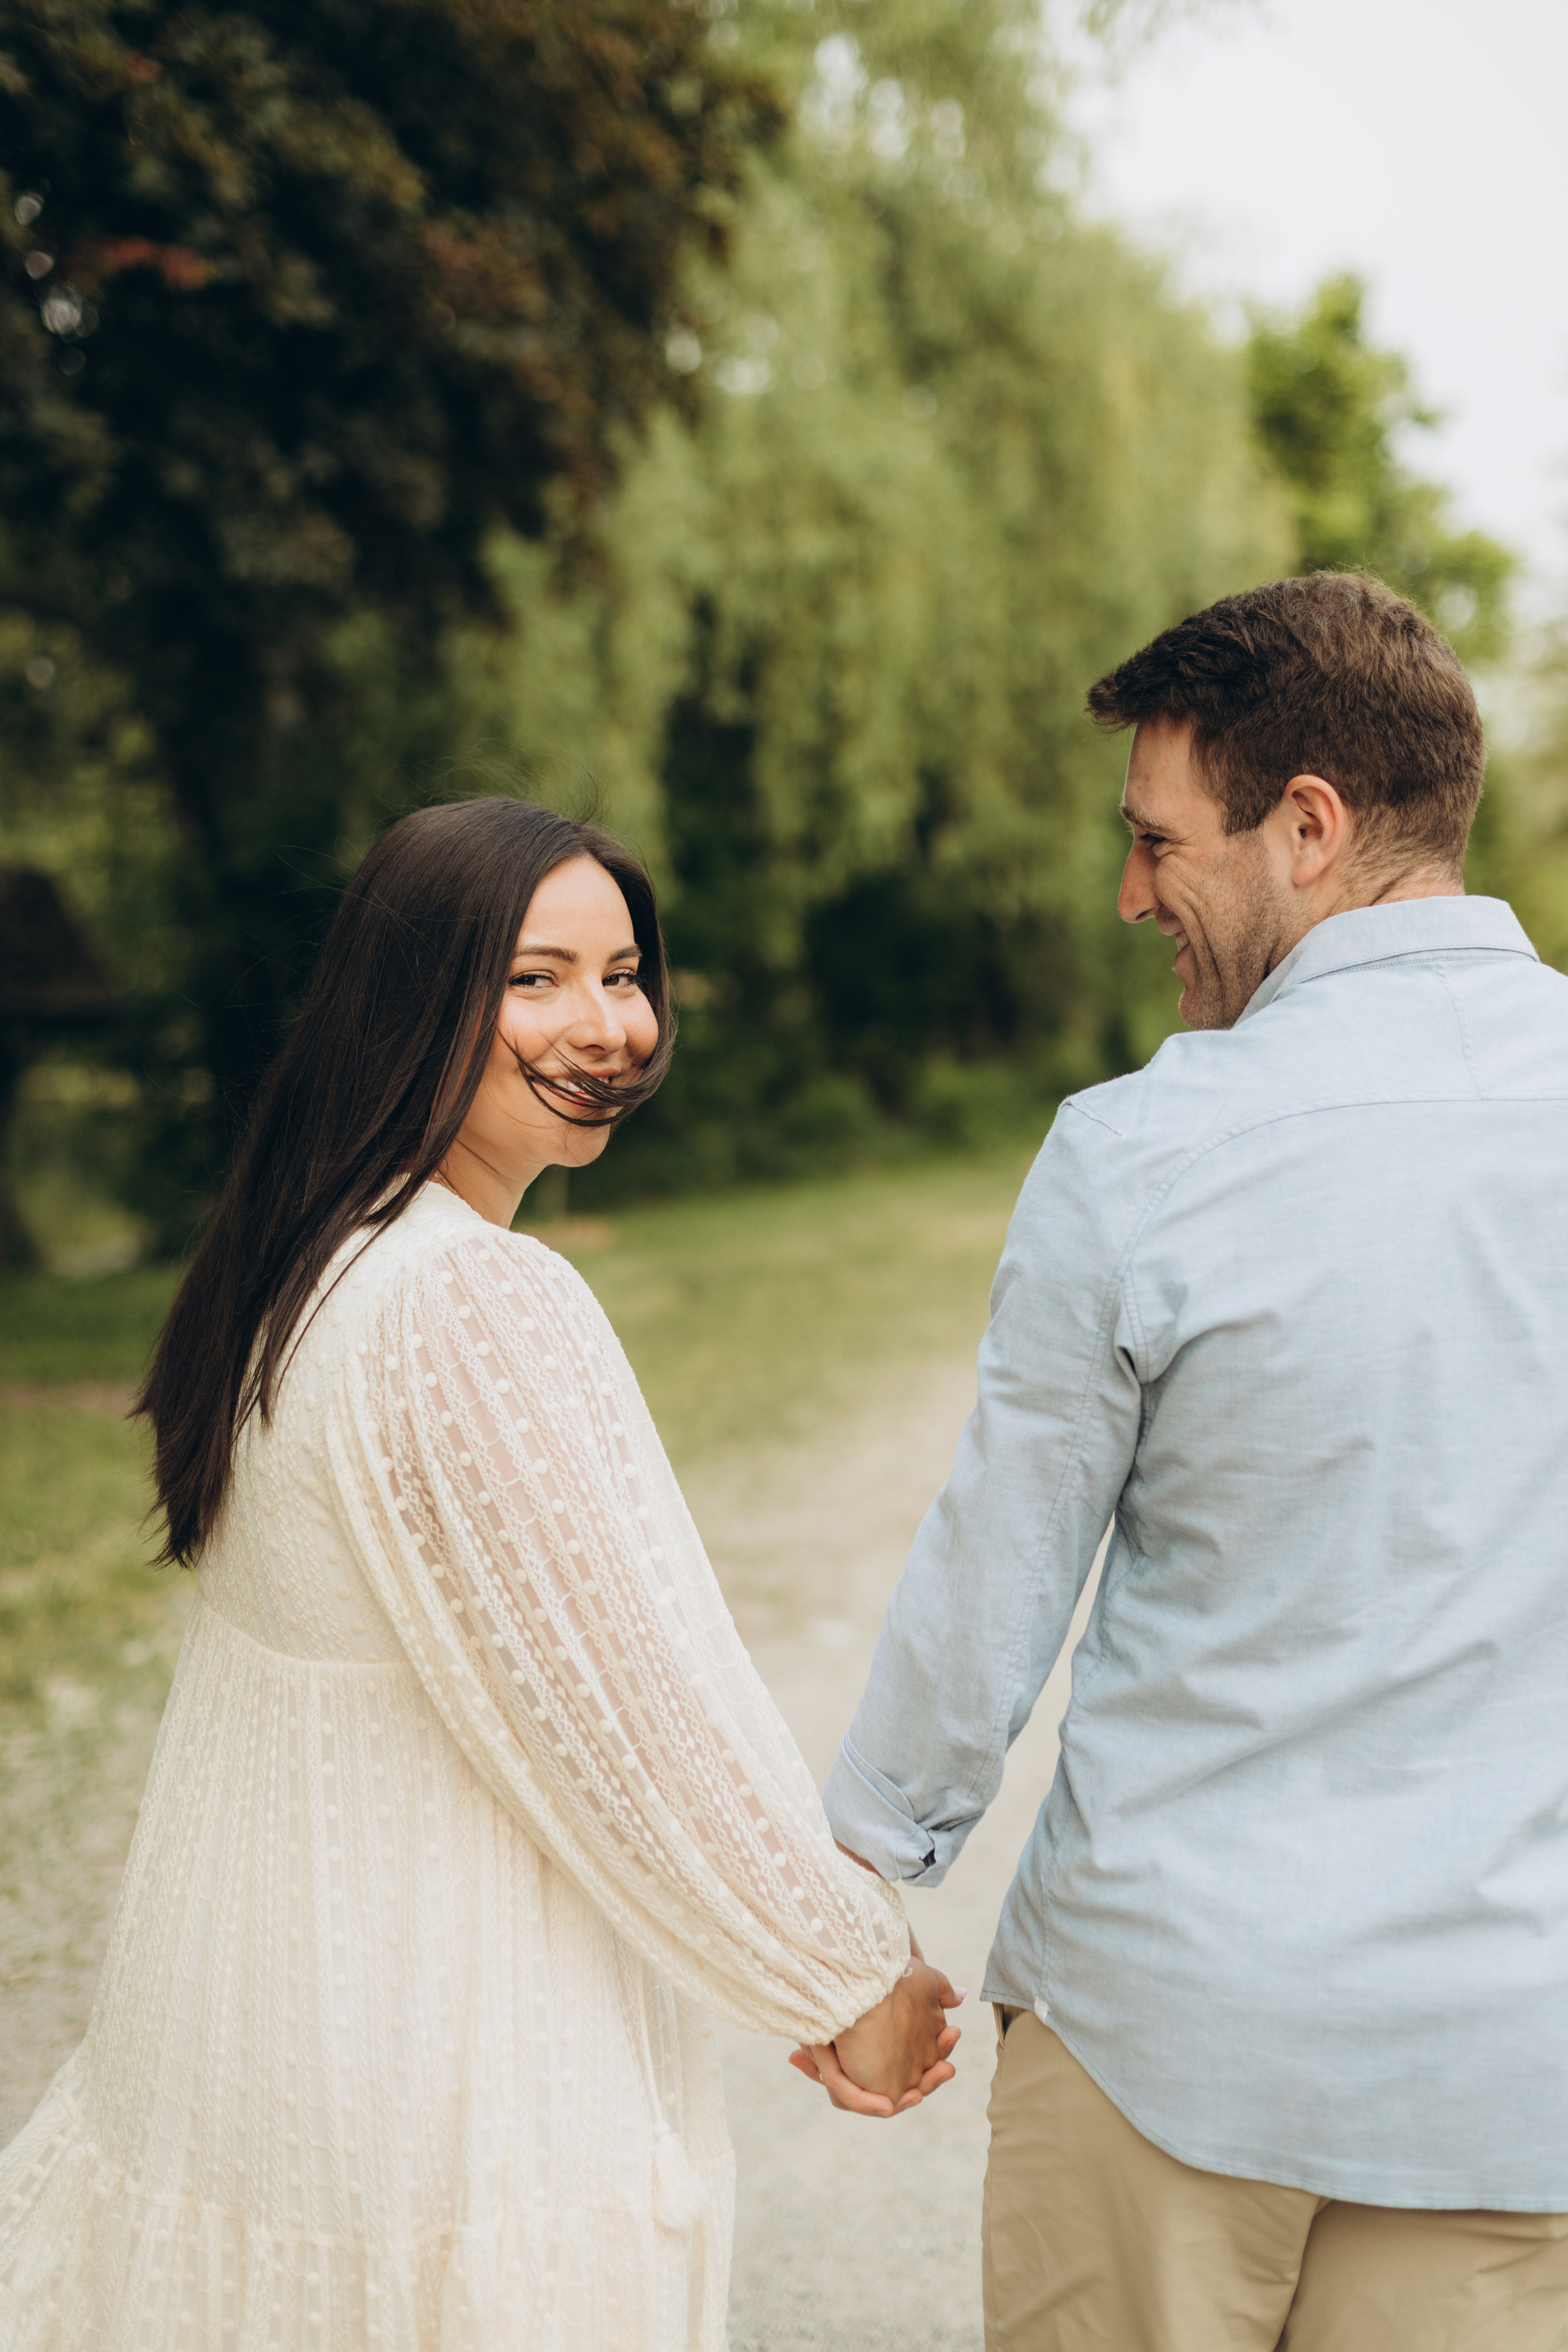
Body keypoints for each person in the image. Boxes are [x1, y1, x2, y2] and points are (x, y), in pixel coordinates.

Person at [0, 797, 961, 2352]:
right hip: (442, 2079)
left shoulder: (311, 1259)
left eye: (624, 972)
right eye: (535, 979)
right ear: (416, 1002)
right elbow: (631, 1731)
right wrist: (841, 1978)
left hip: (268, 2043)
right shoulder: (472, 1305)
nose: (606, 1024)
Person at [803, 575, 1568, 2349]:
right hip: (1513, 2069)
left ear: (1308, 827)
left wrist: (851, 1912)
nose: (1134, 890)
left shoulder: (1141, 1149)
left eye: (1158, 840)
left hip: (1169, 2037)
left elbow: (995, 1576)